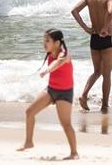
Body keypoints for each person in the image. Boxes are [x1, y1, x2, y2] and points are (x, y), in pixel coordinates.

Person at [17, 29, 78, 160]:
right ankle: (29, 142)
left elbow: (58, 62)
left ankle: (74, 153)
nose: (44, 43)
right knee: (29, 112)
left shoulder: (65, 54)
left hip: (64, 93)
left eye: (47, 41)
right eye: (43, 40)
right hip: (51, 90)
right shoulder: (50, 53)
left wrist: (47, 70)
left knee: (66, 124)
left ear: (57, 43)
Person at [70, 0, 112, 113]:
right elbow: (110, 11)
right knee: (106, 74)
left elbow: (74, 11)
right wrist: (105, 28)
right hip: (107, 38)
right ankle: (104, 105)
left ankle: (84, 95)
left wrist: (85, 28)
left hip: (94, 37)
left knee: (97, 71)